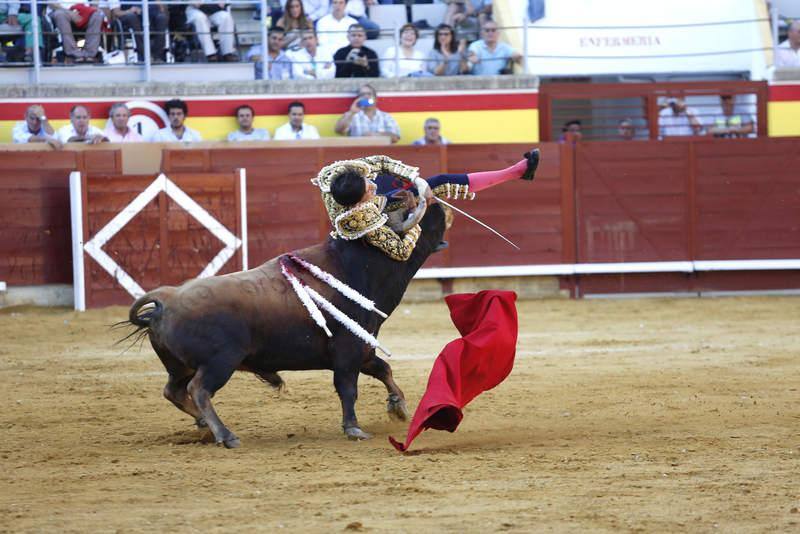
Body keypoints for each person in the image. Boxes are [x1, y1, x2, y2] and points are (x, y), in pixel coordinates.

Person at [310, 149, 539, 261]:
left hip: (362, 201)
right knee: (428, 192)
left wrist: (418, 182)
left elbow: (380, 162)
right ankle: (431, 240)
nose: (372, 185)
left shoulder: (336, 174)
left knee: (431, 183)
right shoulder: (361, 219)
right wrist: (417, 213)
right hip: (365, 222)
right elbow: (400, 251)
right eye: (369, 190)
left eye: (368, 182)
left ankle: (517, 172)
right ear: (362, 202)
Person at [102, 0, 170, 63]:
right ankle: (145, 55)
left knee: (162, 18)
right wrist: (130, 10)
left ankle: (157, 56)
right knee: (132, 17)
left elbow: (162, 9)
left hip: (149, 16)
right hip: (129, 18)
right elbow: (116, 13)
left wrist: (161, 5)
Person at [335, 84, 399, 143]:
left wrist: (375, 135)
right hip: (358, 153)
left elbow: (395, 138)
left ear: (376, 99)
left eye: (369, 94)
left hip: (381, 153)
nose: (366, 96)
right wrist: (352, 112)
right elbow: (339, 131)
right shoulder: (352, 115)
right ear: (358, 99)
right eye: (362, 94)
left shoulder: (385, 116)